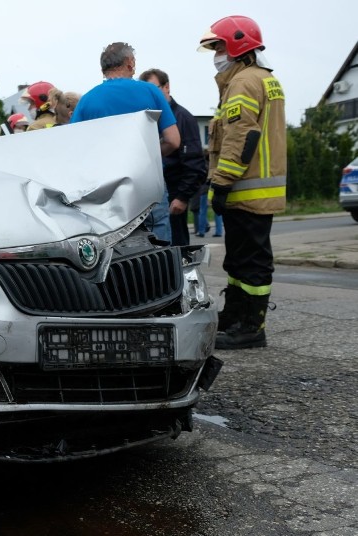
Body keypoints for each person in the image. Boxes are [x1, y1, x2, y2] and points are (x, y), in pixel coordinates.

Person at [199, 15, 286, 349]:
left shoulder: (244, 82)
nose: (215, 54)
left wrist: (221, 182)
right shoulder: (261, 79)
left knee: (250, 261)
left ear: (237, 45)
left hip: (246, 188)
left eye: (218, 46)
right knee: (239, 259)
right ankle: (235, 316)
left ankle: (250, 327)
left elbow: (240, 137)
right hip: (253, 187)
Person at [71, 42, 180, 243]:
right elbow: (173, 141)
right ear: (129, 63)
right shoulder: (151, 92)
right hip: (147, 183)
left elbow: (73, 150)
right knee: (158, 246)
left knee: (113, 246)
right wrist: (149, 156)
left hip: (105, 189)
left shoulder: (87, 100)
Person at [139, 68, 207, 246]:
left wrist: (183, 197)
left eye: (155, 88)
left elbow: (195, 164)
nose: (151, 95)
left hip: (174, 200)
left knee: (177, 250)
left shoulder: (183, 118)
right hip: (151, 200)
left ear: (167, 87)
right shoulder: (147, 120)